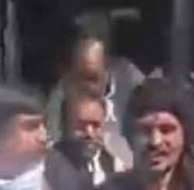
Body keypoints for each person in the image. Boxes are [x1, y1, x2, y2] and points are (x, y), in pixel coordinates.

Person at [47, 34, 140, 166]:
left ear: (106, 74)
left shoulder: (129, 92)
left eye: (93, 79)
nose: (87, 86)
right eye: (80, 77)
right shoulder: (59, 102)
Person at [51, 85, 125, 188]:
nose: (89, 133)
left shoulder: (115, 167)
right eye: (80, 126)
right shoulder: (47, 170)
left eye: (96, 125)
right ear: (64, 125)